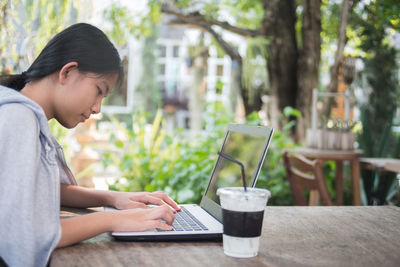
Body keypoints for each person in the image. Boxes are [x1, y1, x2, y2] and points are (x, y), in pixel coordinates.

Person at [0, 23, 180, 267]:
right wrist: (115, 221)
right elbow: (29, 236)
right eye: (99, 91)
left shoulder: (22, 112)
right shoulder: (18, 118)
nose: (97, 108)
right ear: (67, 72)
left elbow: (40, 189)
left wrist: (114, 199)